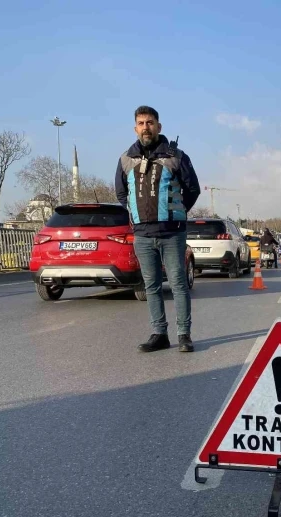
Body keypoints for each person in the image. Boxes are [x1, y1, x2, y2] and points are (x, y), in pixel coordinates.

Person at [115, 106, 201, 353]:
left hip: (172, 233)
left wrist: (176, 211)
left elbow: (192, 189)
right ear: (135, 128)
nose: (146, 127)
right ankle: (159, 334)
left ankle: (184, 334)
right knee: (150, 286)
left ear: (159, 126)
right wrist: (136, 213)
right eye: (141, 123)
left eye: (150, 122)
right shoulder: (125, 159)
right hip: (142, 235)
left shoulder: (177, 156)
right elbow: (121, 192)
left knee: (178, 283)